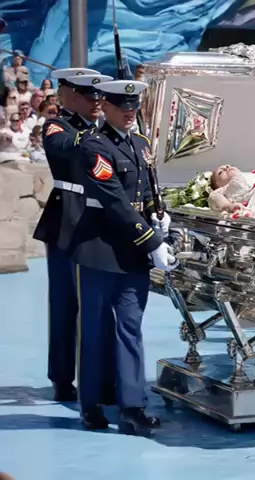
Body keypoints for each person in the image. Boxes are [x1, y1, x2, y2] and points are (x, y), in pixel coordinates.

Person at [70, 79, 177, 434]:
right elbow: (114, 200)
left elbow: (145, 189)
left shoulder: (140, 143)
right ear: (106, 107)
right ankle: (91, 404)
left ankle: (132, 406)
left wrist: (159, 213)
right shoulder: (94, 146)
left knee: (130, 328)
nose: (129, 113)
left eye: (134, 107)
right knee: (95, 329)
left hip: (131, 253)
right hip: (100, 250)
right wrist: (152, 242)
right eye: (122, 107)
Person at [30, 67, 102, 402]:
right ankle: (61, 376)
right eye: (88, 95)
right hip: (68, 220)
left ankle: (101, 377)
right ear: (67, 96)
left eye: (99, 96)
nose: (96, 101)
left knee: (101, 304)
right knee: (65, 302)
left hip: (101, 221)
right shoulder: (58, 125)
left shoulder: (102, 129)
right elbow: (63, 147)